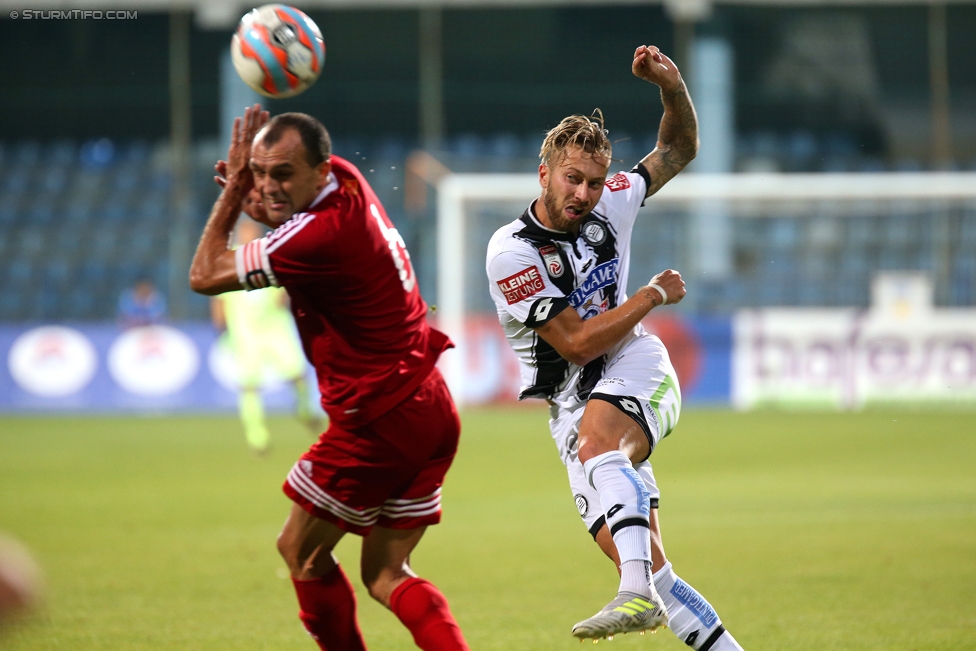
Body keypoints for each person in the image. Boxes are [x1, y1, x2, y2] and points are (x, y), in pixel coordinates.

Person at [486, 45, 746, 649]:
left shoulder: (615, 198)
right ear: (545, 172)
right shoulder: (512, 252)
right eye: (572, 179)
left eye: (595, 182)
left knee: (601, 444)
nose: (583, 193)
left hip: (636, 365)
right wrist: (651, 292)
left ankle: (632, 595)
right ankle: (651, 595)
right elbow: (574, 344)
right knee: (660, 571)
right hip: (570, 406)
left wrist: (672, 87)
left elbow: (677, 150)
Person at [189, 107, 469, 651]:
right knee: (387, 576)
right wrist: (259, 190)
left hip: (380, 417)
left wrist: (231, 197)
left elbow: (204, 274)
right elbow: (282, 210)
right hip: (430, 402)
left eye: (281, 174)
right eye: (261, 171)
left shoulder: (319, 238)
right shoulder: (345, 178)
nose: (268, 185)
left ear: (318, 171)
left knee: (301, 552)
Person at [210, 216, 321, 455]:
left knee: (298, 375)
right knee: (250, 386)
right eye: (246, 231)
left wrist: (286, 298)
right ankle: (257, 437)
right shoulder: (230, 261)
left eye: (253, 230)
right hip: (245, 332)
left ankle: (304, 409)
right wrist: (220, 324)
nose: (249, 235)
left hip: (275, 328)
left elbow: (285, 290)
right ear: (240, 234)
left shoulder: (268, 256)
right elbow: (218, 296)